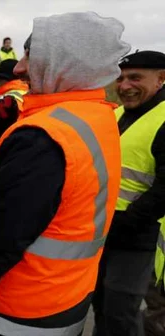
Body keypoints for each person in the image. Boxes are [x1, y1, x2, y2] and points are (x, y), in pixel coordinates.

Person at [0, 12, 130, 335]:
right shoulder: (98, 115)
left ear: (63, 63)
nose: (20, 68)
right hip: (64, 301)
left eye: (31, 55)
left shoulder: (43, 137)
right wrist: (1, 139)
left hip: (12, 310)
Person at [92, 50, 165, 336]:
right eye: (120, 78)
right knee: (101, 305)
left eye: (135, 78)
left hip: (137, 235)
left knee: (121, 309)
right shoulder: (119, 113)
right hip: (103, 229)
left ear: (161, 79)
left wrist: (126, 221)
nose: (124, 86)